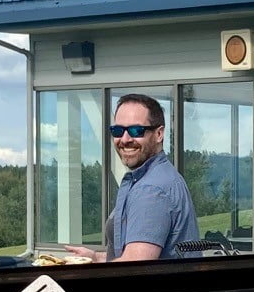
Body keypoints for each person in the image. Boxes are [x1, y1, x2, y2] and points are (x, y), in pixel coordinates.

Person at [68, 93, 200, 260]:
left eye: (136, 130)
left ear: (159, 134)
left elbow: (133, 266)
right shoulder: (161, 176)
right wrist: (95, 258)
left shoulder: (151, 190)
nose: (124, 139)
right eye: (117, 131)